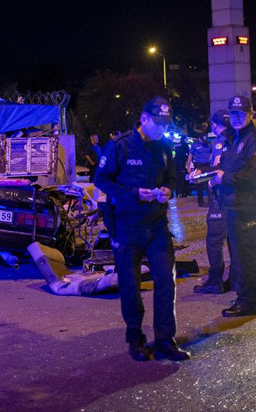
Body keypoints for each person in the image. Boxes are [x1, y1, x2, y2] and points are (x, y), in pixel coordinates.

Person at [94, 96, 190, 362]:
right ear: (144, 119)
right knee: (130, 285)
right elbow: (101, 180)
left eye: (165, 124)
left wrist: (167, 190)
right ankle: (135, 339)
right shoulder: (120, 145)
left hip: (157, 226)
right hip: (127, 225)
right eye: (157, 123)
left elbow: (172, 177)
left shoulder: (164, 146)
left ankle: (165, 340)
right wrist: (136, 194)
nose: (162, 129)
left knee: (165, 282)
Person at [210, 95, 256, 317]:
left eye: (241, 114)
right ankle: (255, 300)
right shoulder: (235, 138)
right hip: (235, 205)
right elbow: (229, 165)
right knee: (243, 256)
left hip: (248, 207)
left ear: (250, 114)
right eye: (232, 114)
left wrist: (224, 178)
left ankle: (247, 302)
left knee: (245, 257)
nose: (236, 118)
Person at [192, 109, 234, 294]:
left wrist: (201, 175)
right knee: (234, 239)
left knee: (214, 240)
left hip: (221, 196)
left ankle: (215, 281)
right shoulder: (240, 136)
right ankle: (236, 278)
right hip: (235, 196)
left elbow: (217, 166)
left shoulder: (220, 140)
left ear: (215, 125)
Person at [187, 132, 212, 207]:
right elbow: (190, 156)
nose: (204, 141)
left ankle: (210, 201)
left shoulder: (209, 144)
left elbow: (211, 154)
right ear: (199, 139)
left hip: (207, 166)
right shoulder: (194, 145)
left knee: (208, 184)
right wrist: (188, 166)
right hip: (198, 166)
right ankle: (200, 202)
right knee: (199, 184)